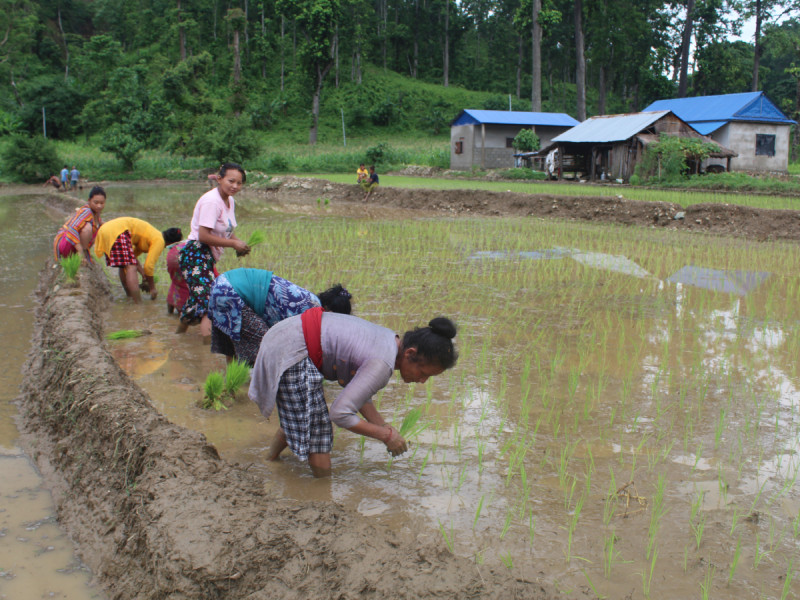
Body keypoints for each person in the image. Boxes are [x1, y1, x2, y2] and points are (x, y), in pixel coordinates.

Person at [249, 314, 458, 477]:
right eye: (423, 374)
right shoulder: (382, 363)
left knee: (305, 414)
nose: (422, 381)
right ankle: (323, 497)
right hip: (291, 350)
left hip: (284, 338)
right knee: (319, 432)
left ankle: (269, 462)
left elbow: (358, 393)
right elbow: (340, 414)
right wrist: (385, 435)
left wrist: (385, 427)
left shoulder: (388, 340)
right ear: (410, 354)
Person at [208, 269, 352, 366]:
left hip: (220, 284)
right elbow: (291, 343)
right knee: (269, 345)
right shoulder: (311, 310)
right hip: (231, 293)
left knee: (233, 343)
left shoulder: (309, 299)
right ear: (330, 311)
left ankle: (231, 386)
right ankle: (263, 390)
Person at [177, 163, 250, 335]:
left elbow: (227, 231)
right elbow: (203, 235)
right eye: (231, 181)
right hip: (195, 253)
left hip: (205, 256)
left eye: (239, 183)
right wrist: (233, 244)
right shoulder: (212, 202)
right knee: (211, 301)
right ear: (219, 179)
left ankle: (178, 337)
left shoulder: (229, 200)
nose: (235, 186)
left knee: (198, 300)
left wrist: (238, 243)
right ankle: (205, 356)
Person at [94, 217, 183, 303]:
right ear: (171, 243)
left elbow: (133, 257)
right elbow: (149, 266)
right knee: (130, 267)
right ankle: (138, 303)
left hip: (107, 229)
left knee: (124, 265)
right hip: (117, 231)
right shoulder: (159, 240)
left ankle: (130, 296)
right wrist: (152, 288)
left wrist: (144, 275)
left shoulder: (152, 235)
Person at [53, 186, 106, 263]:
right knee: (88, 227)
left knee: (101, 229)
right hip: (65, 243)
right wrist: (80, 250)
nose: (99, 206)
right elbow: (72, 229)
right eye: (96, 202)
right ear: (89, 201)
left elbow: (103, 224)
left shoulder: (96, 214)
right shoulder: (87, 211)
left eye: (102, 203)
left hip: (72, 245)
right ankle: (83, 253)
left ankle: (83, 253)